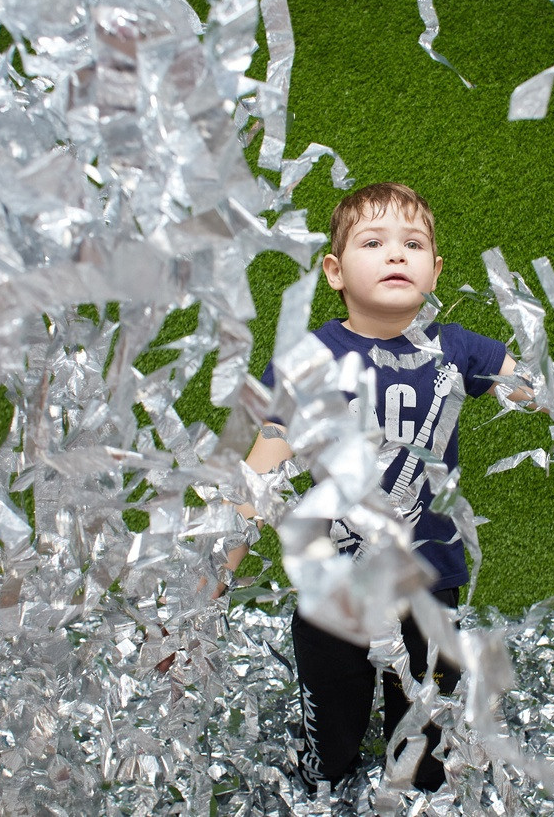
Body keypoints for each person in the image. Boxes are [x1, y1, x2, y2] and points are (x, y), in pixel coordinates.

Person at [221, 182, 529, 793]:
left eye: (413, 244)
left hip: (429, 582)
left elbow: (546, 390)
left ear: (435, 271)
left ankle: (415, 783)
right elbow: (259, 475)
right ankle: (325, 773)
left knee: (425, 748)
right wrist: (213, 575)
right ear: (334, 271)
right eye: (372, 242)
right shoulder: (310, 358)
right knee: (331, 736)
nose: (395, 254)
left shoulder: (456, 349)